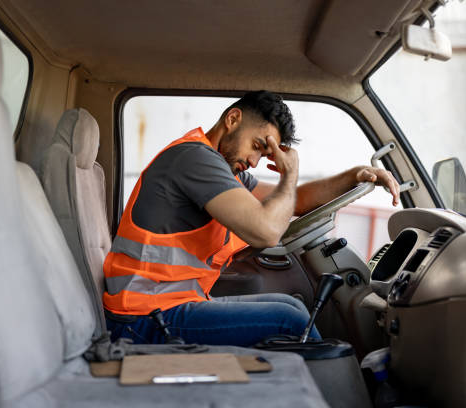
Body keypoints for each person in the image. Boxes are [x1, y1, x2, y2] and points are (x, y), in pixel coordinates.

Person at [103, 90, 400, 346]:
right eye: (258, 146)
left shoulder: (220, 168)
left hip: (164, 306)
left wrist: (355, 176)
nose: (255, 162)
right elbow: (267, 231)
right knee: (289, 320)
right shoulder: (194, 160)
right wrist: (289, 173)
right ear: (233, 120)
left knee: (291, 305)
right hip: (143, 318)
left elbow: (299, 200)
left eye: (265, 154)